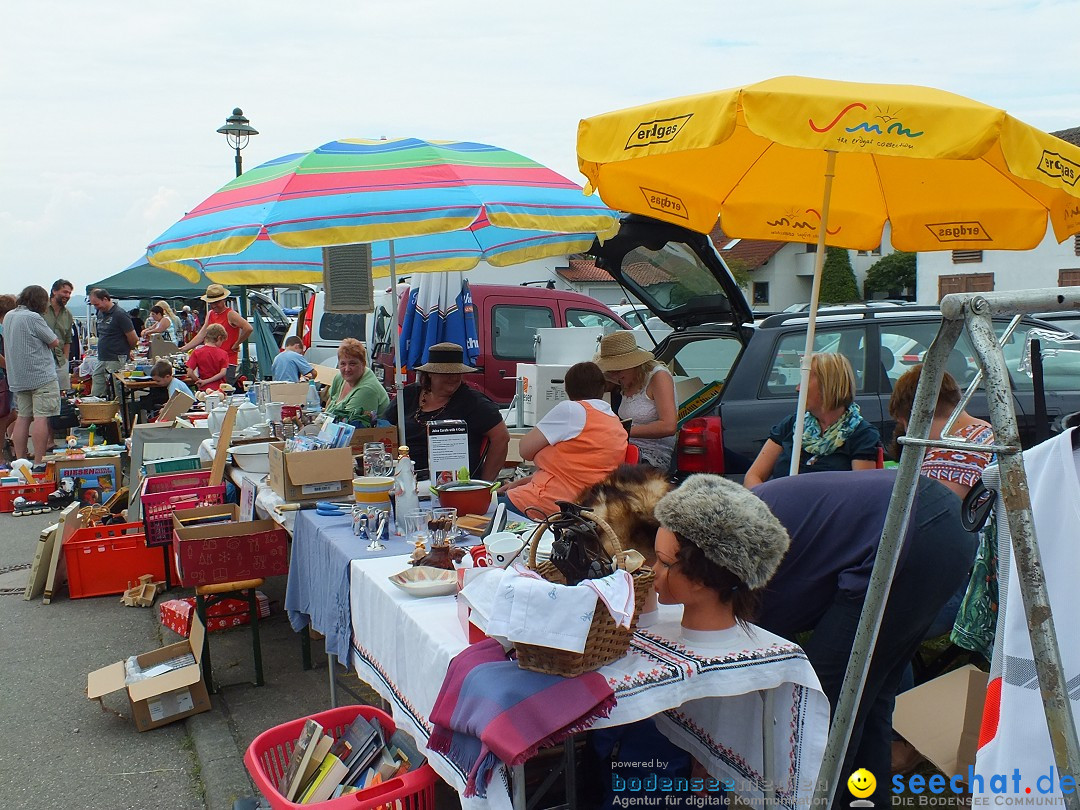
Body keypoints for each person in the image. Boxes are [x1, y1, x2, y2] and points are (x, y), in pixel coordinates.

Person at [751, 468, 976, 809]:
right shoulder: (722, 531)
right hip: (935, 521)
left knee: (825, 698)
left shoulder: (719, 548)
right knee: (868, 696)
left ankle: (821, 802)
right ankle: (866, 801)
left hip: (910, 528)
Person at [498, 361, 627, 517]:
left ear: (567, 390)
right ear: (603, 388)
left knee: (483, 509)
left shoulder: (571, 410)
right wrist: (519, 483)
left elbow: (524, 450)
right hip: (588, 507)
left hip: (549, 504)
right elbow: (574, 472)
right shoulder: (614, 421)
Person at [743, 352, 881, 487]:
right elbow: (753, 476)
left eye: (805, 380)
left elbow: (861, 493)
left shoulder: (861, 435)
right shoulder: (793, 424)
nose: (798, 388)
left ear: (827, 385)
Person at [385, 342, 509, 482]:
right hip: (404, 476)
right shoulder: (408, 395)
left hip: (453, 482)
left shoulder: (473, 402)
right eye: (446, 373)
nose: (453, 378)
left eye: (457, 373)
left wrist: (485, 484)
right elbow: (383, 429)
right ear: (430, 373)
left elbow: (501, 437)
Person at [888, 364, 994, 498]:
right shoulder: (985, 432)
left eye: (903, 425)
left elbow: (928, 514)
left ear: (915, 419)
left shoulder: (947, 458)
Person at [594, 331, 677, 469]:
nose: (614, 374)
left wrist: (622, 430)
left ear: (633, 364)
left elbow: (669, 426)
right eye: (611, 370)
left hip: (652, 454)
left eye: (617, 370)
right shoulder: (623, 378)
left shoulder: (658, 377)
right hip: (625, 446)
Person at [5, 286, 61, 467]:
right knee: (41, 417)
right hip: (40, 375)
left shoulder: (9, 316)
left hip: (18, 376)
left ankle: (20, 462)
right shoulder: (33, 317)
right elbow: (53, 341)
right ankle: (39, 462)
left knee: (23, 417)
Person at [179, 284, 253, 380]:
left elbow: (248, 328)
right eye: (211, 302)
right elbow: (201, 334)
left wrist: (236, 344)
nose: (213, 305)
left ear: (224, 300)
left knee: (223, 389)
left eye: (217, 302)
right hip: (212, 361)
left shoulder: (230, 314)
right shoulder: (210, 314)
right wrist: (184, 348)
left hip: (227, 361)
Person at [324, 338, 388, 426]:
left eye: (352, 364)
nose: (347, 369)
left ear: (363, 364)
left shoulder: (367, 390)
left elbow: (346, 425)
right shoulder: (339, 378)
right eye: (343, 364)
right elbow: (328, 405)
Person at [88, 288, 137, 398]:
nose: (96, 307)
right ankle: (98, 408)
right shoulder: (100, 313)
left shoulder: (120, 314)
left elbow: (133, 337)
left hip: (117, 358)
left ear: (105, 299)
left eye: (97, 304)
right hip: (102, 357)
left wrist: (128, 350)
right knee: (97, 386)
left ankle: (122, 412)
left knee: (118, 391)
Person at [43, 279, 74, 392]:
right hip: (43, 361)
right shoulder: (41, 310)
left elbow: (67, 339)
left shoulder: (68, 315)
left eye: (69, 293)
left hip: (60, 361)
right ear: (54, 291)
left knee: (62, 395)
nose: (67, 295)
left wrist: (65, 360)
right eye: (65, 292)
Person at [0, 294, 19, 458]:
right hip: (2, 378)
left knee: (10, 414)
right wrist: (10, 366)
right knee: (6, 415)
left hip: (4, 378)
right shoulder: (2, 328)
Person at [187, 324, 230, 392]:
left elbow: (189, 372)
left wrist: (199, 381)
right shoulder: (223, 353)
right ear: (219, 338)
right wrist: (206, 381)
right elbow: (222, 373)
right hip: (220, 388)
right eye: (222, 341)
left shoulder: (196, 352)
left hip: (204, 389)